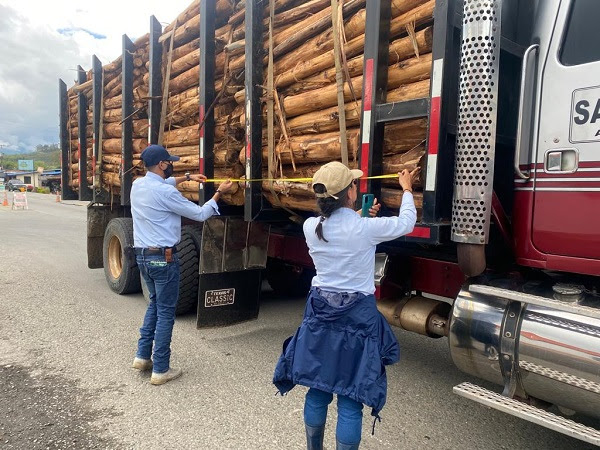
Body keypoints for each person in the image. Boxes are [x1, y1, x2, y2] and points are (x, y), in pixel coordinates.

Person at [273, 161, 419, 449]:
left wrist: (360, 215)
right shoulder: (366, 228)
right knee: (351, 397)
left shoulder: (310, 226)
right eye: (354, 183)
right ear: (350, 193)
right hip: (358, 317)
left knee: (318, 388)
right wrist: (406, 189)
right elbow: (406, 223)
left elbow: (340, 228)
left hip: (320, 313)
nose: (356, 186)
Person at [131, 144, 233, 385]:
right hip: (164, 259)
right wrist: (218, 193)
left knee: (155, 305)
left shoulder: (138, 185)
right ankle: (161, 369)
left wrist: (187, 177)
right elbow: (200, 214)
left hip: (143, 256)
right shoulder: (166, 194)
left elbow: (163, 184)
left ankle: (142, 356)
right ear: (162, 164)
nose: (171, 165)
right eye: (169, 162)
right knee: (166, 312)